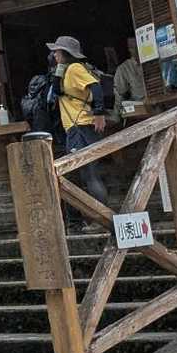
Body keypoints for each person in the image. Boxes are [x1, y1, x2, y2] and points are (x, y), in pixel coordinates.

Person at [50, 35, 110, 226]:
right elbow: (57, 91)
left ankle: (101, 221)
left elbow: (96, 87)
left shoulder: (75, 69)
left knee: (89, 174)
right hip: (75, 129)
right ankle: (79, 221)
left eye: (57, 51)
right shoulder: (65, 70)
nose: (54, 54)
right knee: (77, 175)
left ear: (65, 53)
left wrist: (99, 113)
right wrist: (59, 70)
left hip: (82, 127)